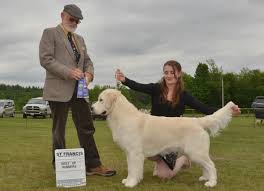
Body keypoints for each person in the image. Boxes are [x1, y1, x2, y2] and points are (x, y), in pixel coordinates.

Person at [115, 60, 240, 179]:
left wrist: (228, 111)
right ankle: (160, 163)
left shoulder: (184, 95)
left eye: (172, 72)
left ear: (179, 73)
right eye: (166, 72)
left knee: (164, 176)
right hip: (154, 136)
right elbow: (138, 86)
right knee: (145, 150)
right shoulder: (156, 89)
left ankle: (184, 158)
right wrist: (124, 80)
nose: (169, 75)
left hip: (174, 138)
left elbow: (204, 108)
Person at [39, 4, 116, 177]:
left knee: (87, 127)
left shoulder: (80, 39)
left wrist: (89, 73)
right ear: (62, 15)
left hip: (80, 90)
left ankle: (93, 165)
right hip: (58, 89)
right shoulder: (49, 33)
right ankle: (59, 166)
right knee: (59, 130)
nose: (74, 23)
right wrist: (69, 72)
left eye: (77, 21)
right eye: (71, 19)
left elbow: (87, 61)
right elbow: (45, 59)